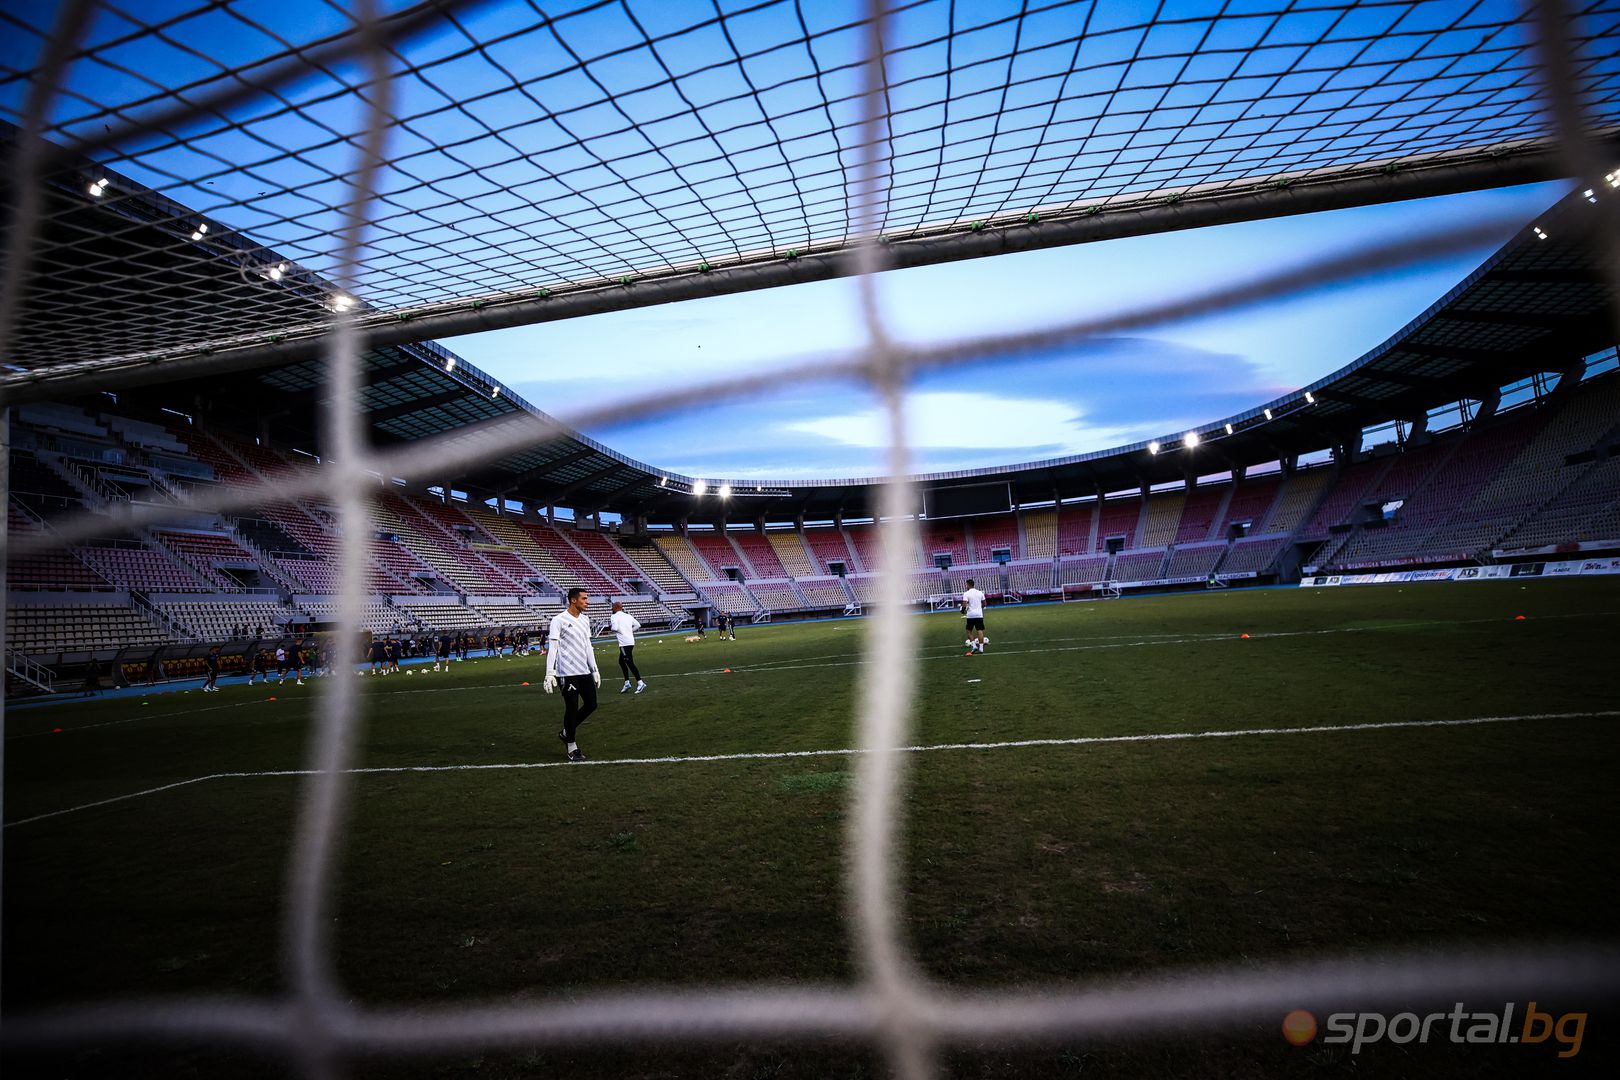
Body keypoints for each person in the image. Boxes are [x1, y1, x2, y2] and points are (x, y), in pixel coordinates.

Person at [545, 587, 600, 762]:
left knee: (592, 704)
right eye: (584, 598)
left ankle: (566, 732)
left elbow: (587, 646)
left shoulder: (585, 620)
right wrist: (549, 673)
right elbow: (553, 648)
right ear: (573, 600)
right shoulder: (558, 620)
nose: (587, 601)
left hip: (584, 671)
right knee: (572, 707)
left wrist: (595, 669)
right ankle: (571, 747)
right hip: (567, 673)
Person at [609, 601, 646, 694]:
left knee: (629, 662)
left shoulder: (614, 616)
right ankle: (627, 683)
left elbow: (615, 628)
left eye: (612, 607)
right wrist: (629, 631)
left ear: (615, 608)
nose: (611, 609)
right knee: (621, 661)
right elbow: (638, 625)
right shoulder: (628, 616)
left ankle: (640, 683)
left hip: (624, 643)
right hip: (630, 641)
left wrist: (611, 628)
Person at [961, 577, 988, 654]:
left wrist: (963, 611)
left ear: (968, 585)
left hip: (970, 615)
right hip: (979, 615)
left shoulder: (966, 593)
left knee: (969, 631)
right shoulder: (980, 592)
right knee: (980, 631)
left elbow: (964, 604)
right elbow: (985, 604)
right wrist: (979, 608)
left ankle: (974, 646)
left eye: (966, 585)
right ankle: (981, 648)